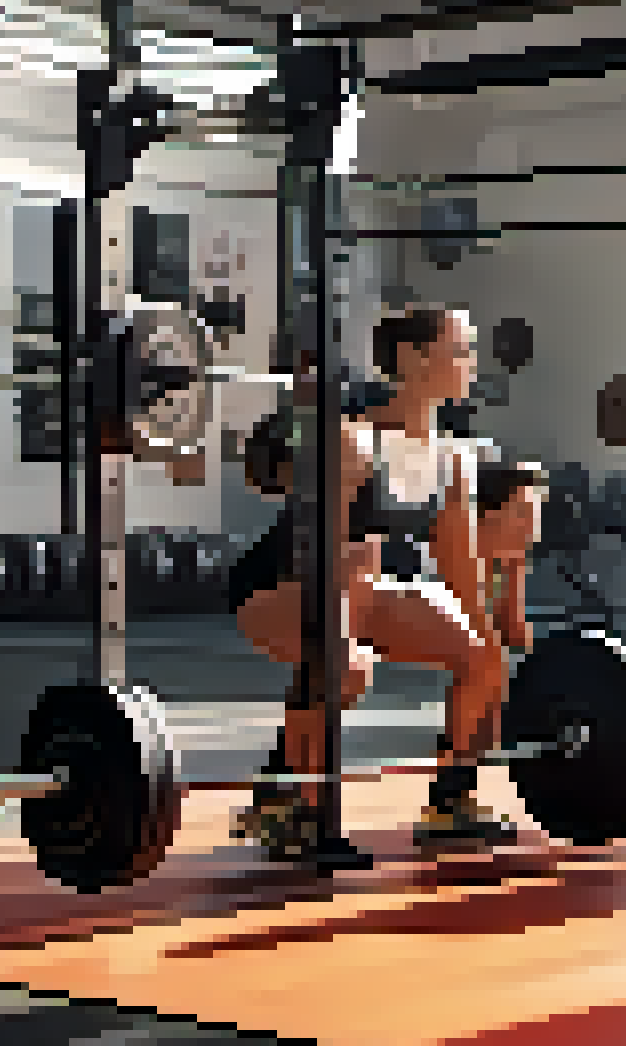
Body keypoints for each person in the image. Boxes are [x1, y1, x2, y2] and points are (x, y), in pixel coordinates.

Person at [231, 306, 546, 856]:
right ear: (413, 359)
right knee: (347, 661)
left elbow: (458, 568)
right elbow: (319, 559)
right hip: (283, 585)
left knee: (484, 658)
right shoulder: (354, 445)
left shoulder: (453, 458)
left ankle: (451, 803)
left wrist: (486, 640)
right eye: (461, 349)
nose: (471, 363)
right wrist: (341, 642)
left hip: (364, 586)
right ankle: (289, 804)